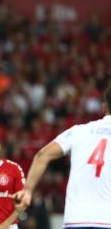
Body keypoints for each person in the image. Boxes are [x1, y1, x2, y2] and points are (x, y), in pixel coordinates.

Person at [13, 86, 111, 229]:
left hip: (76, 219)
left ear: (104, 107)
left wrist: (27, 190)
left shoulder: (79, 131)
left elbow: (42, 155)